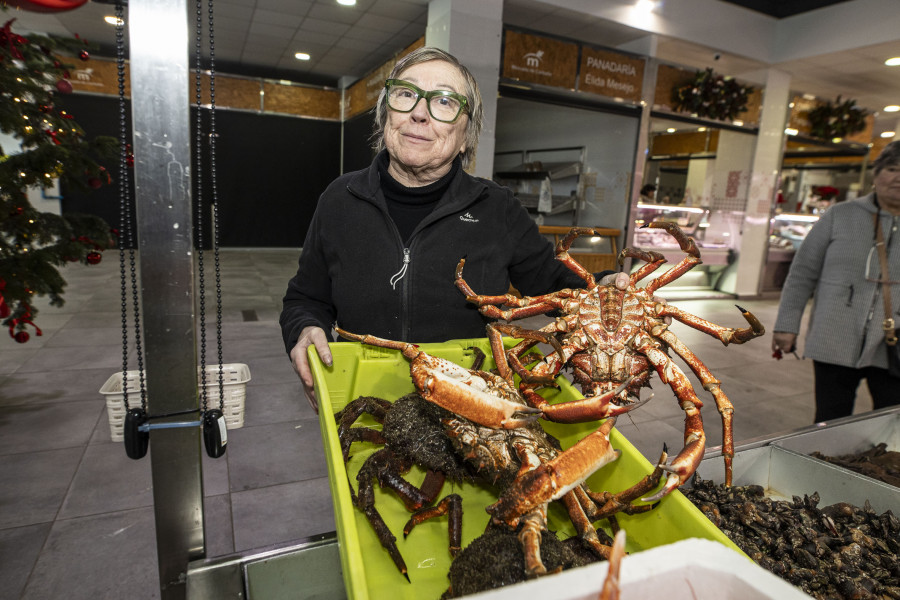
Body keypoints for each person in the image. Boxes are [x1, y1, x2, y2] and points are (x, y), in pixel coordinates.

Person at [280, 47, 620, 411]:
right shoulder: (340, 198)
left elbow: (553, 285)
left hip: (467, 401)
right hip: (362, 396)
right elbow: (306, 297)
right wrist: (304, 329)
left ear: (465, 135)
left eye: (444, 101)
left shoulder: (498, 209)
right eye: (406, 94)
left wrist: (605, 290)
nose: (419, 113)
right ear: (385, 115)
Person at [772, 141, 900, 422]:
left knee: (891, 422)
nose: (898, 177)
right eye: (892, 168)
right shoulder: (840, 215)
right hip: (835, 336)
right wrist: (786, 325)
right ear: (877, 173)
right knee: (830, 418)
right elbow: (802, 273)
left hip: (892, 343)